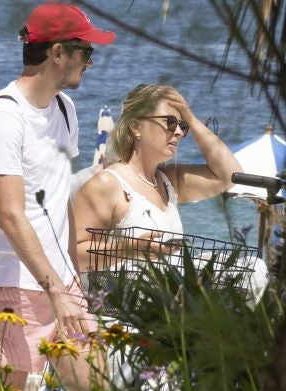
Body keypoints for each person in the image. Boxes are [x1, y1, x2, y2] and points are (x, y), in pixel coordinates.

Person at [0, 1, 115, 391]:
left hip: (60, 282)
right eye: (86, 52)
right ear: (57, 54)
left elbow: (57, 199)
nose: (90, 62)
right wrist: (54, 286)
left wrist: (71, 279)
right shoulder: (3, 116)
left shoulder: (65, 109)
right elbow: (11, 216)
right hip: (9, 287)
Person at [72, 84, 237, 267]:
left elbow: (228, 175)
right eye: (170, 122)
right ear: (136, 126)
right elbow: (73, 253)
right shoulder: (108, 184)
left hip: (170, 293)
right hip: (126, 295)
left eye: (183, 126)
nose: (179, 132)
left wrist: (190, 117)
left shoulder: (168, 181)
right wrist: (131, 249)